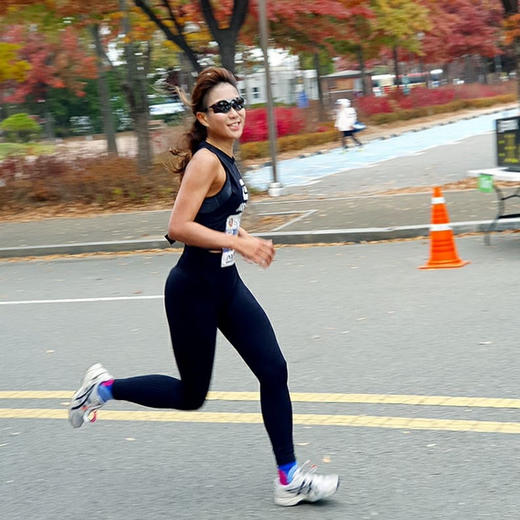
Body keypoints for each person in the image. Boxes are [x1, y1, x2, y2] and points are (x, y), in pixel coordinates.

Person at [69, 66, 339, 507]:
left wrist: (246, 241)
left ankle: (288, 477)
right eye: (222, 107)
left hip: (226, 286)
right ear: (202, 117)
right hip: (193, 291)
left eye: (238, 103)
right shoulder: (205, 160)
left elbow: (219, 220)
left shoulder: (226, 155)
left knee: (274, 370)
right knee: (191, 395)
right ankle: (103, 388)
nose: (235, 112)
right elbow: (178, 226)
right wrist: (239, 242)